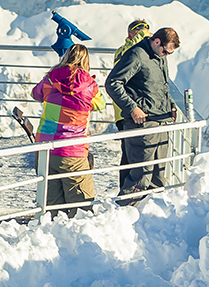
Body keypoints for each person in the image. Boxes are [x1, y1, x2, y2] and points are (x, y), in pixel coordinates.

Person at [106, 27, 181, 200]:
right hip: (143, 122)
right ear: (156, 42)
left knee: (157, 175)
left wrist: (171, 106)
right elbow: (113, 83)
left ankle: (150, 219)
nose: (166, 55)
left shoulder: (159, 57)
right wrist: (132, 108)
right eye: (165, 51)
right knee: (140, 176)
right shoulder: (136, 55)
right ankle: (123, 213)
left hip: (161, 120)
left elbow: (162, 85)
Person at [31, 44, 104, 217]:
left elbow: (36, 94)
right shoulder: (89, 86)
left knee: (51, 205)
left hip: (46, 148)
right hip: (73, 151)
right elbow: (100, 105)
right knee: (81, 205)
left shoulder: (50, 79)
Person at [110, 19, 151, 189]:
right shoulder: (123, 51)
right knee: (129, 154)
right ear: (130, 34)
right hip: (125, 111)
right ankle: (125, 190)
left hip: (139, 110)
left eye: (146, 30)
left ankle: (133, 189)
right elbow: (127, 56)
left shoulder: (144, 50)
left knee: (136, 154)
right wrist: (141, 37)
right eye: (139, 30)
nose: (144, 32)